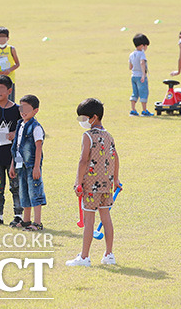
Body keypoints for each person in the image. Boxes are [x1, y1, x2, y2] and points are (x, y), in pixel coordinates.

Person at [66, 98, 121, 266]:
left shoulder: (87, 136)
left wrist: (78, 182)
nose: (82, 122)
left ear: (94, 117)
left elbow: (83, 161)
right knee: (106, 217)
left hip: (90, 184)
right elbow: (115, 157)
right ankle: (109, 254)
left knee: (89, 220)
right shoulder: (109, 136)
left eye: (84, 118)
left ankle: (84, 257)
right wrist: (116, 179)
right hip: (107, 183)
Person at [0, 75, 23, 226]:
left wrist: (14, 134)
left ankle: (18, 215)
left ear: (9, 91)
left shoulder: (17, 110)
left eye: (1, 89)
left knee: (16, 185)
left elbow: (21, 132)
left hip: (13, 155)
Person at [8, 94, 46, 231]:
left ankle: (37, 222)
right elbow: (17, 147)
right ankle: (26, 220)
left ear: (35, 111)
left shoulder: (35, 127)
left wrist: (36, 167)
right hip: (20, 165)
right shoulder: (20, 124)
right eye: (21, 108)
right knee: (23, 192)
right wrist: (13, 164)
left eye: (27, 109)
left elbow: (38, 148)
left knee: (35, 192)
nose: (23, 111)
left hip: (31, 166)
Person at [128, 33, 153, 116]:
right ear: (142, 45)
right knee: (143, 92)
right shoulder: (141, 53)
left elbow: (130, 67)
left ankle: (133, 109)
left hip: (133, 76)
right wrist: (143, 74)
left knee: (135, 92)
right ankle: (144, 110)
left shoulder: (131, 54)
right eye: (146, 46)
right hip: (140, 76)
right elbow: (142, 63)